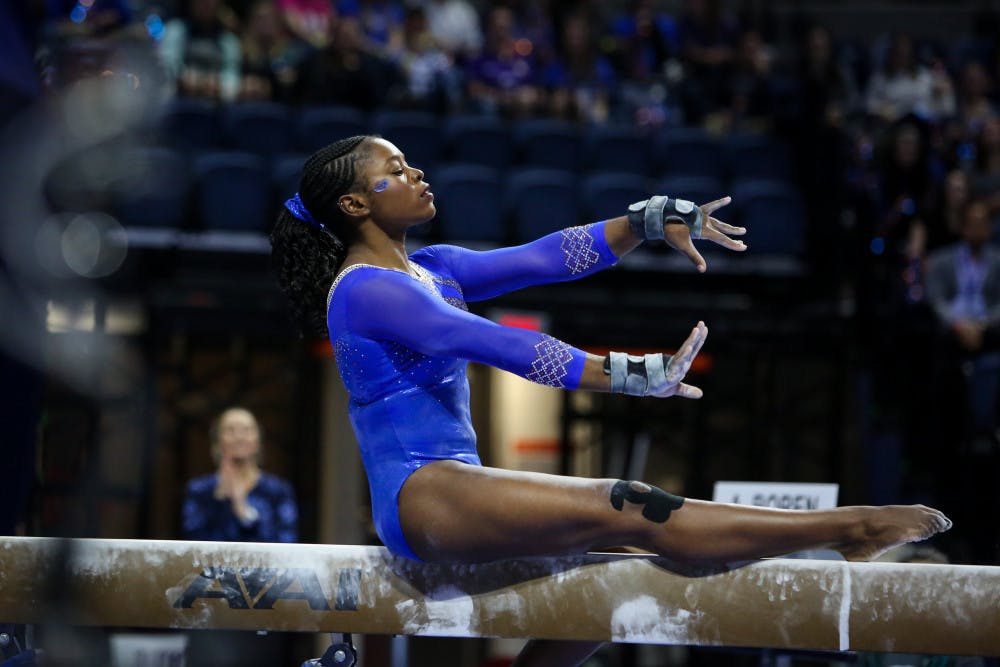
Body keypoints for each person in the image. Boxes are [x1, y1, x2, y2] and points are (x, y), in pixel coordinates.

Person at [269, 135, 952, 667]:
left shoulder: (435, 267)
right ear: (356, 204)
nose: (416, 173)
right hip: (423, 494)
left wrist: (645, 220)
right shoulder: (363, 287)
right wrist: (626, 373)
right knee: (630, 503)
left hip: (459, 487)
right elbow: (485, 340)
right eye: (395, 169)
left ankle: (847, 531)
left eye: (411, 161)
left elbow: (546, 256)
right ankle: (849, 529)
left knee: (623, 575)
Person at [181, 406, 299, 543]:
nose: (239, 437)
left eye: (246, 430)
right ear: (218, 441)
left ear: (258, 442)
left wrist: (241, 508)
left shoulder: (278, 491)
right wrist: (220, 501)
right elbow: (193, 544)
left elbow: (286, 544)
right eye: (230, 430)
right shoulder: (199, 490)